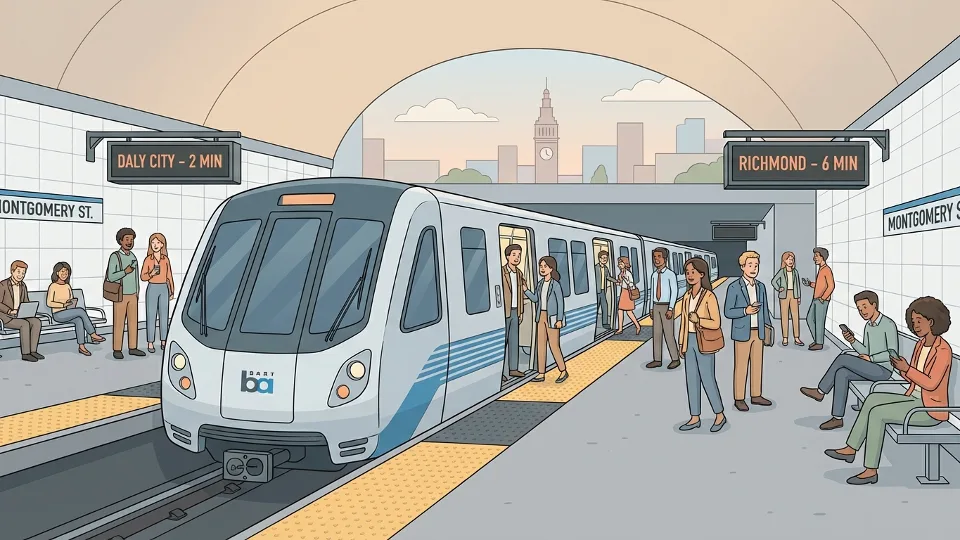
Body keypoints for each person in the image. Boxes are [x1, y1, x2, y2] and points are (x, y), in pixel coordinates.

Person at [825, 296, 952, 485]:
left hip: (930, 409)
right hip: (914, 397)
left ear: (931, 322)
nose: (915, 325)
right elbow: (914, 379)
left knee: (878, 413)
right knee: (873, 398)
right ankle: (851, 449)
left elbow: (931, 383)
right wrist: (903, 369)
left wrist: (907, 368)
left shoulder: (943, 350)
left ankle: (870, 470)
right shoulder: (921, 344)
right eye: (913, 321)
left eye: (919, 321)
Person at [800, 290, 898, 430]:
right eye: (859, 309)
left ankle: (821, 391)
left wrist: (871, 358)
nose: (862, 311)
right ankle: (837, 418)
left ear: (874, 305)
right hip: (871, 367)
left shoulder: (888, 324)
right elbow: (865, 351)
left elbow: (893, 354)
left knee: (843, 358)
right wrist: (852, 341)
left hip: (884, 371)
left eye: (865, 307)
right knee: (842, 373)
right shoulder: (868, 326)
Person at [676, 257, 727, 433]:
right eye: (687, 272)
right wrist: (682, 342)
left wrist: (700, 320)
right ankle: (695, 417)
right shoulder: (686, 297)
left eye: (693, 272)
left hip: (703, 340)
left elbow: (716, 323)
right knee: (691, 379)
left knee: (707, 378)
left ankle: (719, 414)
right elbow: (683, 322)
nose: (690, 275)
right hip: (689, 341)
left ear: (702, 274)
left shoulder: (709, 296)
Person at [723, 250, 773, 411]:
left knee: (757, 364)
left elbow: (765, 310)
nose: (753, 268)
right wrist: (746, 311)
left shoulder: (761, 287)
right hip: (742, 332)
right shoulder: (734, 287)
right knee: (741, 365)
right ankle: (739, 398)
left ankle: (756, 395)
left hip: (758, 332)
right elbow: (728, 311)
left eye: (756, 265)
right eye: (750, 265)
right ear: (742, 267)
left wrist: (768, 329)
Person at [524, 256, 570, 383]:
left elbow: (560, 303)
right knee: (541, 345)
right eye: (541, 266)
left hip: (552, 317)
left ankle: (563, 370)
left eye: (545, 266)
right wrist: (526, 291)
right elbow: (535, 299)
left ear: (551, 268)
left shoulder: (555, 285)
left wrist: (559, 319)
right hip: (541, 316)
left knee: (554, 345)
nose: (542, 269)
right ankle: (541, 373)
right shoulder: (540, 284)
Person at [47, 262, 106, 355]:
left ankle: (81, 346)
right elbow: (49, 302)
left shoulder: (67, 286)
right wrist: (63, 305)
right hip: (58, 314)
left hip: (68, 312)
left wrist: (71, 303)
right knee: (81, 311)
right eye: (62, 272)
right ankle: (92, 334)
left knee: (79, 320)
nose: (64, 274)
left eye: (66, 273)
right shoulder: (53, 286)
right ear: (57, 273)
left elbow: (70, 300)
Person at [106, 228, 146, 359]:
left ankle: (132, 347)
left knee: (133, 322)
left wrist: (137, 292)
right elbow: (111, 277)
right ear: (120, 241)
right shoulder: (115, 256)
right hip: (120, 294)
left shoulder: (133, 256)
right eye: (127, 239)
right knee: (119, 323)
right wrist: (125, 271)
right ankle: (117, 349)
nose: (130, 242)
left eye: (132, 239)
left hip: (133, 295)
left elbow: (135, 277)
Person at [0, 260, 44, 362]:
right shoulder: (2, 285)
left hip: (20, 314)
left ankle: (33, 351)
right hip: (6, 317)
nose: (21, 275)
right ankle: (26, 353)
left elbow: (25, 301)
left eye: (23, 273)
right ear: (12, 271)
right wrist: (9, 311)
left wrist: (28, 310)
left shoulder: (23, 285)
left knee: (36, 322)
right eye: (18, 272)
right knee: (24, 324)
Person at [141, 232, 175, 354]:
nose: (155, 245)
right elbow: (143, 277)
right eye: (153, 242)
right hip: (152, 288)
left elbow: (169, 275)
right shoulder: (148, 260)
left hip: (164, 288)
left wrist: (171, 290)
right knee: (151, 316)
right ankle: (150, 342)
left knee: (164, 316)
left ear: (162, 245)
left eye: (158, 243)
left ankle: (163, 341)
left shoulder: (165, 259)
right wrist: (151, 274)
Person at [647, 247, 681, 370]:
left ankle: (675, 358)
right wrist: (651, 308)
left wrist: (671, 308)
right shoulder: (654, 275)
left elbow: (674, 292)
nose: (656, 259)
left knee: (669, 333)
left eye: (659, 257)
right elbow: (652, 293)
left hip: (666, 306)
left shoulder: (670, 275)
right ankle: (657, 359)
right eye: (654, 257)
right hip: (656, 306)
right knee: (656, 333)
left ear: (665, 259)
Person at [501, 243, 528, 382]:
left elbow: (523, 291)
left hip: (515, 311)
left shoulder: (519, 273)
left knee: (514, 341)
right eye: (514, 255)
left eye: (519, 255)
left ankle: (513, 369)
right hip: (504, 312)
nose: (517, 258)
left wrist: (521, 311)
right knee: (502, 343)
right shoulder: (501, 272)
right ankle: (500, 373)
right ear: (507, 256)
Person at [770, 251, 804, 346]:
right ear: (784, 261)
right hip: (784, 296)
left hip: (794, 295)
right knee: (784, 317)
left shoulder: (795, 272)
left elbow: (797, 285)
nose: (790, 261)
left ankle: (796, 338)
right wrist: (779, 288)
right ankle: (785, 338)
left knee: (795, 317)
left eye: (792, 259)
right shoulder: (782, 271)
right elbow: (773, 281)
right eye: (788, 259)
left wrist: (798, 297)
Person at [805, 247, 834, 351]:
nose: (814, 258)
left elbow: (831, 286)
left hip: (822, 300)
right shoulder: (821, 269)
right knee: (809, 319)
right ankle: (817, 340)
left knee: (819, 321)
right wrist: (810, 284)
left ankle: (819, 343)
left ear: (823, 257)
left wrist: (823, 298)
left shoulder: (826, 270)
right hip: (816, 299)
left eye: (816, 256)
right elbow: (820, 285)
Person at [615, 256, 642, 335]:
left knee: (629, 312)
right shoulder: (621, 273)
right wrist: (618, 283)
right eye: (619, 264)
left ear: (625, 264)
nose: (619, 265)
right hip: (623, 292)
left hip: (627, 293)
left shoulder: (627, 273)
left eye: (621, 263)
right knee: (620, 310)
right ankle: (620, 328)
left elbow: (631, 284)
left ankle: (637, 326)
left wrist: (625, 279)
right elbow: (622, 284)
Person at [595, 251, 614, 330]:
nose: (604, 259)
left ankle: (605, 323)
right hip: (596, 291)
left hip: (603, 291)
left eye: (606, 258)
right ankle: (594, 323)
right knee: (596, 308)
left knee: (604, 307)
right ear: (599, 259)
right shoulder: (595, 268)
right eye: (603, 258)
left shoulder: (606, 268)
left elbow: (608, 277)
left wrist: (616, 281)